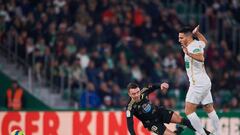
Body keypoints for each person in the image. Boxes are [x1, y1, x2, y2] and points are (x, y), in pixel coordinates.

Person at [178, 25, 220, 135]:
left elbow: (201, 58)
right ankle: (219, 133)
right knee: (208, 108)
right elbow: (204, 42)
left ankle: (202, 133)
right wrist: (198, 34)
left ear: (188, 37)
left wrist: (189, 54)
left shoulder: (192, 47)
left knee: (188, 111)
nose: (179, 40)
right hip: (204, 82)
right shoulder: (197, 43)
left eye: (181, 38)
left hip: (198, 84)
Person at [126, 82, 212, 135]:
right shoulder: (130, 107)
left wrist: (160, 85)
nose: (137, 95)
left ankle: (207, 133)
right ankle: (178, 131)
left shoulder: (143, 91)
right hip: (152, 124)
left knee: (184, 120)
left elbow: (152, 87)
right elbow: (130, 125)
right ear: (129, 94)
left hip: (159, 112)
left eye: (137, 92)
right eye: (133, 94)